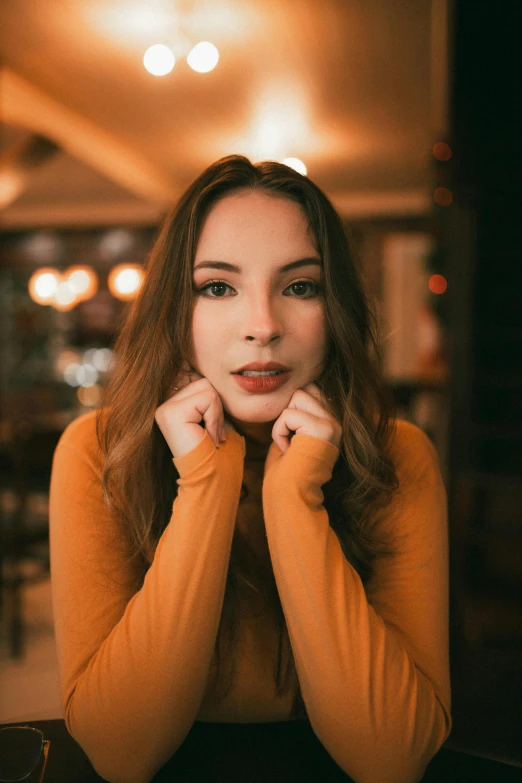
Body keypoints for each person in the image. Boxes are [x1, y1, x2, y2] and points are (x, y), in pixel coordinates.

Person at [49, 155, 451, 783]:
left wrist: (295, 499)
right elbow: (119, 753)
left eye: (300, 286)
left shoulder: (396, 455)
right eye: (217, 287)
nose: (262, 327)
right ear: (173, 312)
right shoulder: (98, 453)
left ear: (335, 307)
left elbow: (391, 758)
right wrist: (206, 481)